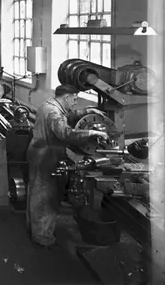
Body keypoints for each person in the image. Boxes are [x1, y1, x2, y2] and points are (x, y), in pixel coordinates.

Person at [26, 84, 109, 248]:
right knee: (46, 196)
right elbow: (65, 133)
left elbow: (68, 116)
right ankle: (42, 236)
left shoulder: (49, 104)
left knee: (36, 191)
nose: (75, 102)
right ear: (66, 97)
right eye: (74, 99)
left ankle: (34, 229)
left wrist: (88, 111)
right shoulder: (53, 112)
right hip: (46, 156)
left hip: (40, 152)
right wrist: (92, 133)